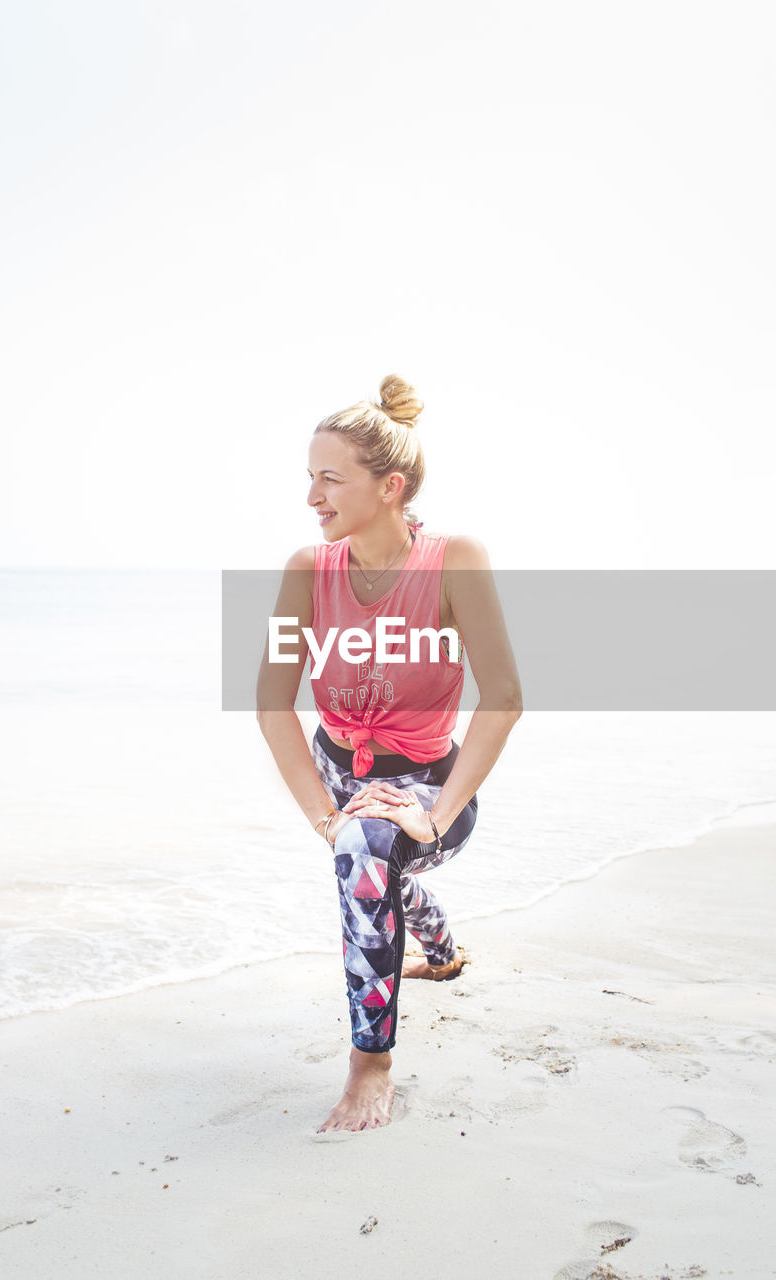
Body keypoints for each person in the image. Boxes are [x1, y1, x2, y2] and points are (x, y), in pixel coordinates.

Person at [256, 373, 522, 1133]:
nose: (312, 495)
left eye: (330, 479)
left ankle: (369, 1066)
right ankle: (439, 952)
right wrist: (320, 815)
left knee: (376, 854)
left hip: (429, 786)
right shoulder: (307, 571)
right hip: (338, 772)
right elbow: (272, 701)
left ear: (390, 486)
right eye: (309, 477)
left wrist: (435, 815)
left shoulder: (453, 561)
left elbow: (502, 697)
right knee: (365, 858)